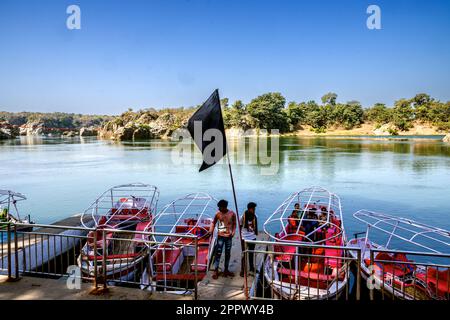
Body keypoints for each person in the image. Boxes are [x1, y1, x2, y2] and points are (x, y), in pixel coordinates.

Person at [210, 199, 237, 279]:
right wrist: (211, 230)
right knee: (218, 253)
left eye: (220, 207)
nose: (218, 208)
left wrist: (233, 232)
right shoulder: (218, 214)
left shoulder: (232, 214)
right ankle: (216, 270)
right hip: (220, 236)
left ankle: (226, 270)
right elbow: (213, 222)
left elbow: (235, 223)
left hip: (229, 237)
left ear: (225, 207)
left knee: (228, 253)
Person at [240, 202, 258, 277]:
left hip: (252, 238)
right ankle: (242, 270)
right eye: (253, 209)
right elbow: (240, 226)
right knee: (244, 255)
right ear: (249, 209)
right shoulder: (242, 217)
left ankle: (251, 268)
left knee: (251, 254)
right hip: (245, 238)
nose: (254, 210)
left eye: (254, 209)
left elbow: (255, 227)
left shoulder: (255, 216)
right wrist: (242, 236)